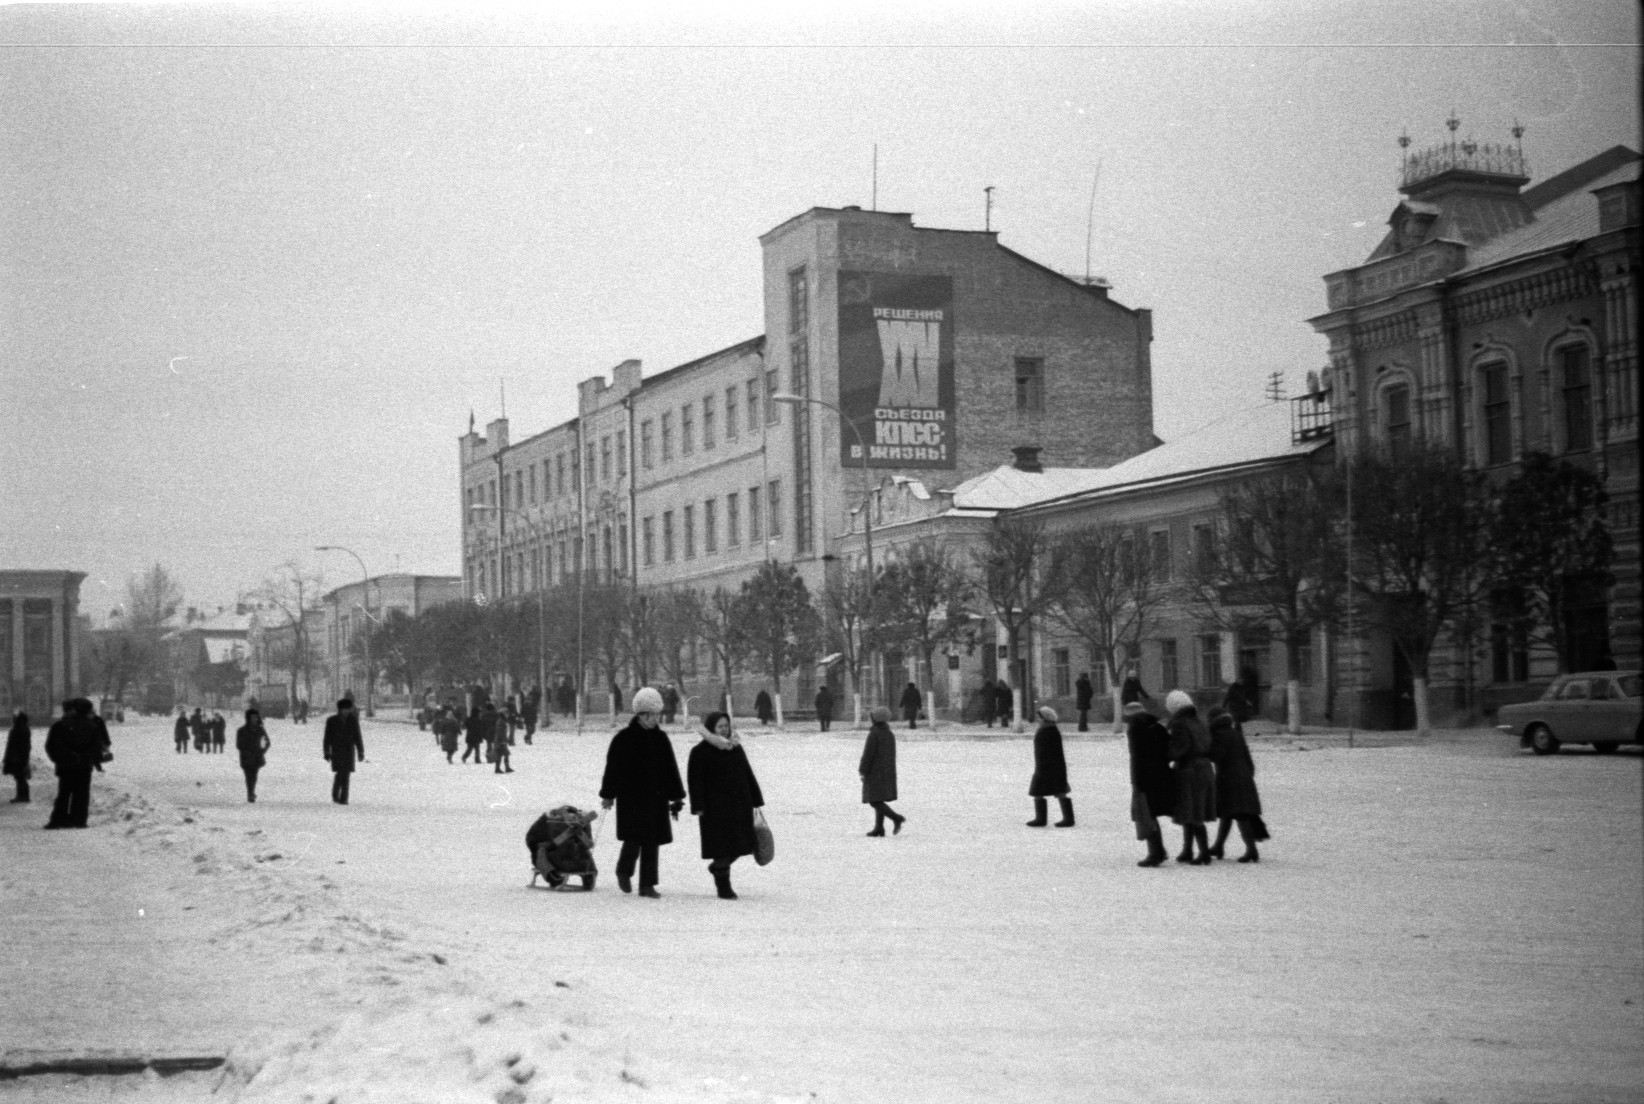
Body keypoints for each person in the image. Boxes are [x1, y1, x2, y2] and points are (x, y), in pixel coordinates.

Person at [600, 687, 685, 899]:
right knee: (634, 839)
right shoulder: (624, 739)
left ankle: (647, 885)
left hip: (656, 798)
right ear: (641, 715)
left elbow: (670, 768)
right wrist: (608, 794)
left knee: (652, 841)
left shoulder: (661, 739)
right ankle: (624, 870)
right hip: (632, 798)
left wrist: (676, 795)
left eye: (658, 715)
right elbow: (613, 769)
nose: (657, 719)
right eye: (653, 715)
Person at [687, 710, 765, 899]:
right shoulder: (700, 752)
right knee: (721, 847)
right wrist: (698, 805)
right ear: (711, 728)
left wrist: (756, 799)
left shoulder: (735, 747)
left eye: (726, 725)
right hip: (715, 809)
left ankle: (717, 868)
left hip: (739, 805)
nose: (724, 729)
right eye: (720, 726)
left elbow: (747, 773)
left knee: (743, 844)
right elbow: (694, 781)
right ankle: (724, 887)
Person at [1206, 707, 1269, 863]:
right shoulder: (1235, 732)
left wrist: (1206, 751)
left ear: (1212, 720)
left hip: (1229, 778)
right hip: (1243, 776)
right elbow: (1247, 757)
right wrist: (1247, 773)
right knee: (1228, 813)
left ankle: (1251, 850)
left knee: (1240, 814)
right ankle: (1218, 846)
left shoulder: (1219, 734)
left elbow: (1217, 755)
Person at [1165, 690, 1215, 864]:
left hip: (1189, 771)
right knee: (1193, 812)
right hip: (1205, 769)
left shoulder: (1179, 724)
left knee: (1192, 813)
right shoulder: (1198, 721)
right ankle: (1188, 850)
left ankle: (1203, 853)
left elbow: (1181, 747)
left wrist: (1166, 755)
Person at [1124, 702, 1175, 866]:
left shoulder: (1135, 728)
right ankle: (1158, 851)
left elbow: (1136, 757)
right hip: (1162, 774)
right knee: (1151, 813)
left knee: (1146, 815)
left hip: (1144, 777)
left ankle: (1156, 853)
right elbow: (1169, 751)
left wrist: (1136, 781)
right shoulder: (1158, 727)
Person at [44, 698, 106, 829]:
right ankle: (79, 819)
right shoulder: (93, 727)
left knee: (64, 793)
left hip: (66, 766)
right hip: (84, 766)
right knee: (82, 793)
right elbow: (96, 748)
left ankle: (59, 820)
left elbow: (51, 746)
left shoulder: (60, 726)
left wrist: (63, 758)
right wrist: (88, 758)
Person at [858, 705, 904, 836]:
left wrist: (862, 770)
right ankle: (879, 828)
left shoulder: (874, 734)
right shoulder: (889, 733)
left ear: (876, 719)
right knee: (879, 798)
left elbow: (868, 754)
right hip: (887, 771)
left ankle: (896, 818)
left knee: (874, 800)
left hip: (875, 771)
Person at [1027, 706, 1073, 827]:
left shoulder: (1049, 730)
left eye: (1039, 717)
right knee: (1044, 791)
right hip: (1045, 765)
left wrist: (1045, 765)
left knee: (1055, 791)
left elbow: (1051, 750)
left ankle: (1065, 819)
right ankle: (1042, 818)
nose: (1037, 719)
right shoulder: (1047, 729)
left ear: (1045, 718)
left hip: (1048, 766)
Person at [322, 697, 365, 805]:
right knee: (341, 773)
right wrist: (327, 752)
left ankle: (344, 798)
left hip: (349, 751)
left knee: (346, 774)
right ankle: (336, 794)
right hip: (336, 751)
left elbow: (357, 736)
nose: (346, 711)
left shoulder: (353, 720)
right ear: (340, 709)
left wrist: (361, 751)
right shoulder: (331, 721)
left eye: (348, 709)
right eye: (344, 709)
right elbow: (327, 738)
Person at [235, 707, 271, 803]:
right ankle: (250, 794)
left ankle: (251, 792)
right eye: (252, 717)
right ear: (248, 718)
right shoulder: (241, 730)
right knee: (248, 776)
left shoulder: (260, 729)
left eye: (256, 717)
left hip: (256, 757)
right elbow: (238, 745)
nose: (254, 719)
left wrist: (262, 751)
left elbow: (268, 742)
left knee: (254, 776)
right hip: (246, 757)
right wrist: (246, 750)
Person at [5, 710, 31, 803]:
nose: (13, 719)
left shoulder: (20, 729)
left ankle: (22, 796)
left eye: (15, 717)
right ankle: (23, 796)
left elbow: (23, 746)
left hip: (17, 757)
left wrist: (24, 758)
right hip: (17, 757)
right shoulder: (21, 728)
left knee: (20, 777)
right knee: (20, 777)